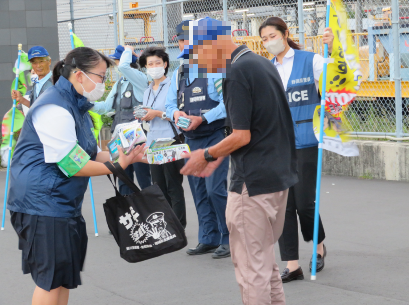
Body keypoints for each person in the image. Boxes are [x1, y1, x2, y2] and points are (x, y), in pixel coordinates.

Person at [7, 47, 146, 305]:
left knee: (63, 276)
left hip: (60, 202)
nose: (104, 84)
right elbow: (74, 164)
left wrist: (127, 154)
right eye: (102, 77)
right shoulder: (54, 107)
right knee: (50, 280)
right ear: (79, 75)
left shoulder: (76, 105)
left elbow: (89, 154)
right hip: (42, 202)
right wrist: (119, 164)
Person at [180, 17, 298, 305]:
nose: (199, 63)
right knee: (263, 260)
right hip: (276, 177)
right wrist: (219, 155)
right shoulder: (260, 63)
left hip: (252, 183)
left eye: (197, 54)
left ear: (212, 44)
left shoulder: (236, 72)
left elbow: (242, 135)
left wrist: (207, 154)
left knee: (250, 268)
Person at [259, 16, 334, 283]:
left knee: (304, 202)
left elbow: (335, 83)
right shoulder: (266, 69)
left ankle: (318, 246)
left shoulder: (310, 60)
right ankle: (292, 264)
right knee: (282, 207)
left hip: (307, 142)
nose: (269, 43)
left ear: (285, 33)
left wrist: (332, 48)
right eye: (265, 39)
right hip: (277, 146)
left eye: (272, 36)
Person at [166, 20, 230, 259]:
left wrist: (203, 118)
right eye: (181, 40)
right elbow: (170, 103)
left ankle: (227, 237)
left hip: (214, 136)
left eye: (188, 41)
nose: (185, 45)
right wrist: (176, 114)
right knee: (199, 190)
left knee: (215, 189)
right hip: (191, 139)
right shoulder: (179, 72)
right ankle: (208, 237)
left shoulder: (215, 69)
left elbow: (227, 104)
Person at [138, 46, 187, 228]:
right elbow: (148, 114)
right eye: (150, 64)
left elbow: (180, 115)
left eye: (157, 63)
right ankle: (166, 223)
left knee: (173, 184)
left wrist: (158, 113)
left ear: (165, 64)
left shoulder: (173, 85)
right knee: (158, 185)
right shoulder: (147, 90)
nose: (154, 66)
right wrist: (144, 115)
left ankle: (178, 224)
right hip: (153, 142)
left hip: (170, 139)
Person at [92, 45, 152, 193]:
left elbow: (124, 67)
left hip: (137, 137)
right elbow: (106, 106)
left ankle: (151, 210)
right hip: (120, 137)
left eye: (116, 60)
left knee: (144, 178)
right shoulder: (120, 82)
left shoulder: (139, 79)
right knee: (123, 177)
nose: (115, 64)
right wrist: (84, 103)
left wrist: (128, 50)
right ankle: (129, 211)